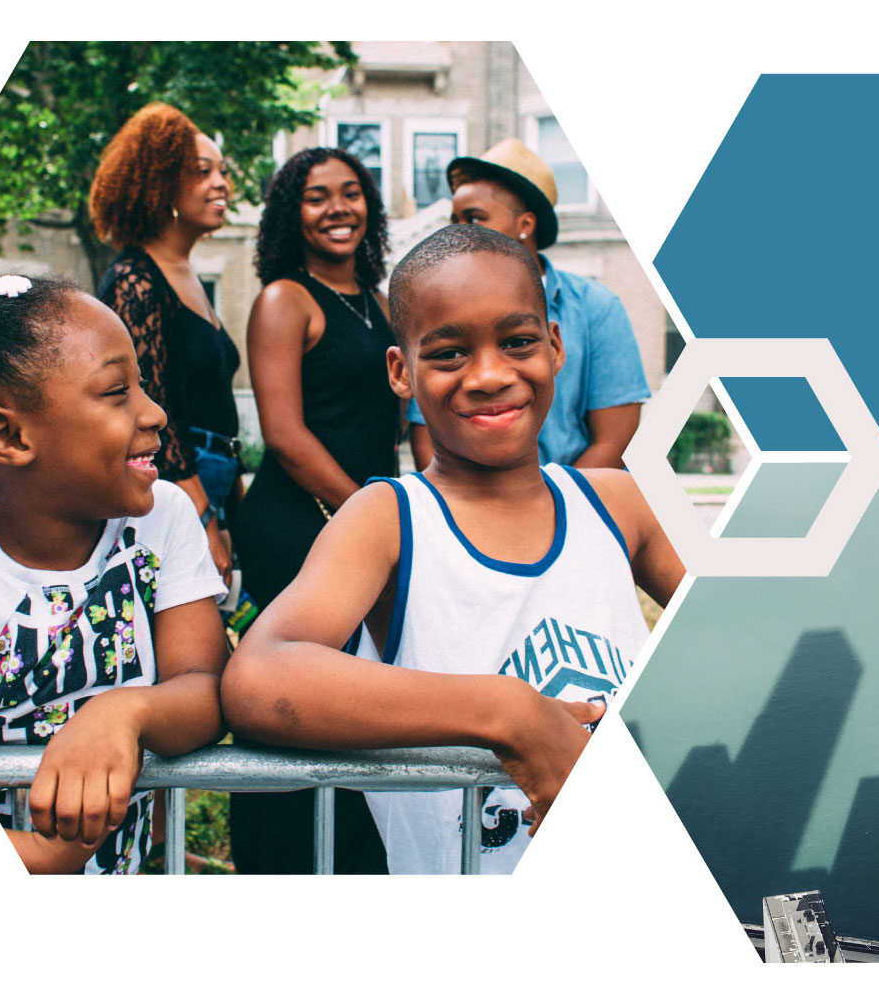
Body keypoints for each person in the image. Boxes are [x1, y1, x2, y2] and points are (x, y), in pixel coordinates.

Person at [222, 225, 684, 874]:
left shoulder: (616, 503)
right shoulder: (390, 520)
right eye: (448, 354)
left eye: (518, 342)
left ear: (555, 347)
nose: (490, 375)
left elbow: (751, 637)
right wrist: (506, 714)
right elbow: (259, 676)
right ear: (400, 372)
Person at [0, 276, 228, 875]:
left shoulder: (161, 518)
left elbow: (205, 687)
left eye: (140, 383)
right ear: (9, 436)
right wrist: (39, 859)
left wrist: (123, 712)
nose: (155, 412)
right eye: (117, 391)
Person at [228, 146, 400, 875]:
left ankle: (360, 859)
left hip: (365, 518)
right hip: (299, 522)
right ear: (289, 215)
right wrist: (368, 513)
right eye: (317, 196)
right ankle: (282, 860)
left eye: (352, 193)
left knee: (364, 692)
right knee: (297, 698)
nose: (338, 208)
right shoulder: (283, 300)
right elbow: (286, 436)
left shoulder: (382, 301)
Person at [407, 138, 650, 472]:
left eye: (475, 219)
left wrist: (549, 513)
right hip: (463, 511)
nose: (459, 232)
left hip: (573, 507)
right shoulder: (437, 308)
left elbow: (615, 439)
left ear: (525, 225)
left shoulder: (597, 307)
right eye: (455, 219)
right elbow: (425, 435)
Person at [91, 102, 239, 588]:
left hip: (213, 479)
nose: (222, 184)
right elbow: (151, 408)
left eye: (222, 171)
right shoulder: (135, 280)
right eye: (202, 172)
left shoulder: (189, 274)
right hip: (174, 488)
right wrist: (203, 519)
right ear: (160, 185)